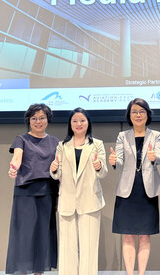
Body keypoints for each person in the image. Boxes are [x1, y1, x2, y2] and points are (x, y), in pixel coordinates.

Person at [108, 98, 160, 275]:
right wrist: (113, 161)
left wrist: (154, 157)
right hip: (127, 190)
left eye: (141, 111)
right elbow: (119, 158)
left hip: (147, 189)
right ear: (129, 115)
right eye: (134, 112)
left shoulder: (155, 135)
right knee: (128, 234)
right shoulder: (122, 136)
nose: (138, 115)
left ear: (147, 114)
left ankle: (141, 273)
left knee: (145, 235)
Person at [49, 107, 108, 275]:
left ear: (88, 123)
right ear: (70, 124)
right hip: (67, 201)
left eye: (82, 120)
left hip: (90, 201)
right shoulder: (62, 146)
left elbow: (103, 173)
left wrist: (99, 166)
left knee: (89, 247)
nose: (78, 124)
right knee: (67, 247)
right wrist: (53, 169)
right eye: (75, 121)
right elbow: (57, 174)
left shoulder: (97, 144)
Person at [6, 103, 58, 275]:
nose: (38, 121)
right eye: (34, 118)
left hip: (48, 191)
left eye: (41, 118)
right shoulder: (21, 139)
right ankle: (22, 272)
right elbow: (17, 156)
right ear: (29, 120)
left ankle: (38, 273)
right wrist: (14, 167)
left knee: (42, 235)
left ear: (47, 119)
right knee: (25, 235)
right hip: (26, 191)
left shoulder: (55, 142)